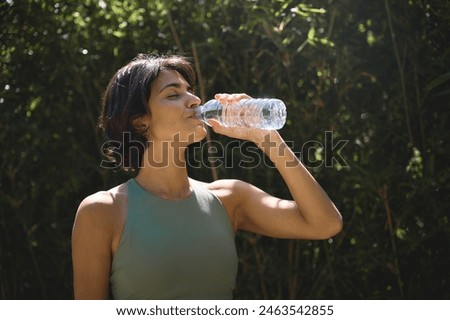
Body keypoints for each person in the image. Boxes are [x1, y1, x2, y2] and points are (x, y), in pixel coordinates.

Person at [71, 54, 343, 300]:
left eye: (189, 90)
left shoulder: (229, 198)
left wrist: (267, 138)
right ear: (140, 121)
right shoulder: (103, 211)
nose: (195, 100)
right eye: (173, 95)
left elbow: (324, 224)